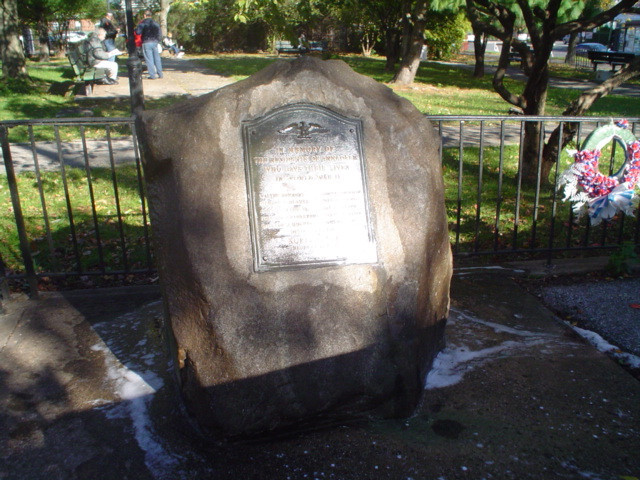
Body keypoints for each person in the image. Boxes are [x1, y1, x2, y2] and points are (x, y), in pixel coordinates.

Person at [135, 10, 163, 79]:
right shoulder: (155, 23)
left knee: (149, 59)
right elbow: (160, 33)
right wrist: (157, 40)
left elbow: (138, 32)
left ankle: (152, 75)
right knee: (157, 58)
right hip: (155, 42)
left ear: (144, 15)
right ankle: (160, 74)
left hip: (146, 41)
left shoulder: (143, 23)